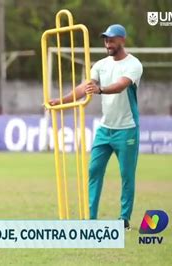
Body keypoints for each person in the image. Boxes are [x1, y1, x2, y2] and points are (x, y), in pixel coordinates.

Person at [49, 24, 143, 230]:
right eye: (106, 39)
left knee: (127, 175)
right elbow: (85, 87)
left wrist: (100, 90)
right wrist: (62, 100)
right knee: (94, 170)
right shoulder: (100, 65)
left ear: (122, 41)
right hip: (105, 129)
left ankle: (124, 219)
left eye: (112, 39)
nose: (108, 43)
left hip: (127, 128)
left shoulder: (134, 64)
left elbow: (120, 85)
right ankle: (90, 218)